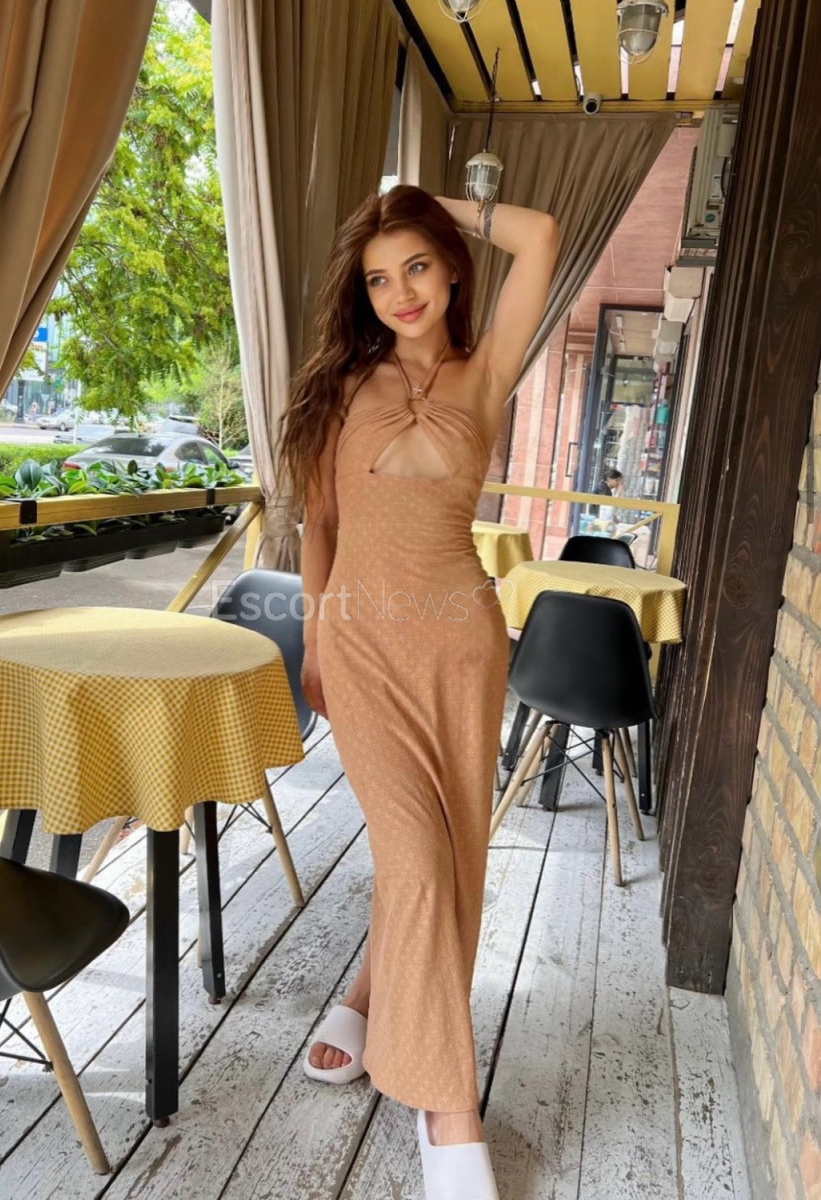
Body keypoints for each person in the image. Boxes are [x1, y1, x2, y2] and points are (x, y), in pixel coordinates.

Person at [276, 184, 558, 1199]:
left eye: (418, 266)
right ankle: (448, 1106)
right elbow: (318, 526)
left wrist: (425, 200)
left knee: (449, 854)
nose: (399, 292)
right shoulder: (341, 385)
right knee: (415, 855)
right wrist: (315, 638)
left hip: (459, 650)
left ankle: (364, 996)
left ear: (451, 270)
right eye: (377, 278)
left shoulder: (487, 374)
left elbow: (540, 235)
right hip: (361, 648)